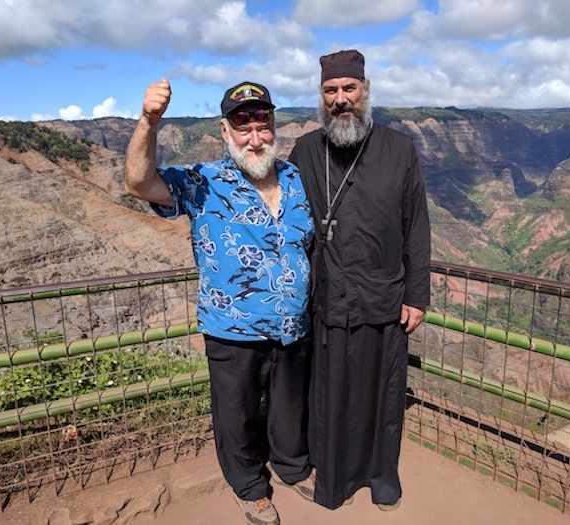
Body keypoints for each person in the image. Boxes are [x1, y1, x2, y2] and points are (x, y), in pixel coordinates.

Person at [125, 78, 315, 525]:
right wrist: (149, 122)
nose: (254, 135)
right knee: (238, 415)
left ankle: (291, 465)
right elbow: (138, 183)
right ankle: (249, 487)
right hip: (232, 330)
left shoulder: (296, 178)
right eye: (242, 125)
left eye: (262, 123)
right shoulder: (202, 181)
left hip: (294, 326)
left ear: (273, 126)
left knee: (290, 408)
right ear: (225, 131)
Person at [288, 49, 431, 511]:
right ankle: (333, 481)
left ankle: (381, 477)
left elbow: (417, 228)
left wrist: (417, 295)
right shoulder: (305, 150)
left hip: (383, 297)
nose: (340, 99)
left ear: (365, 91)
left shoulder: (400, 149)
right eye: (331, 91)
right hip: (327, 299)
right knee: (329, 397)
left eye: (349, 89)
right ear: (321, 97)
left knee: (383, 396)